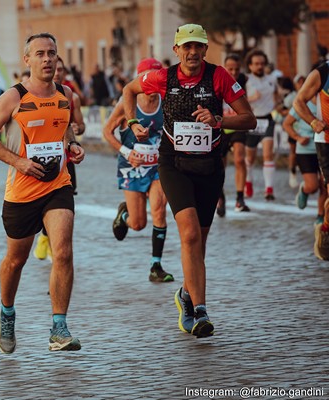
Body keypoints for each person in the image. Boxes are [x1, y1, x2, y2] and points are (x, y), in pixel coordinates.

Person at [122, 24, 255, 337]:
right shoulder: (163, 78)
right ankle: (200, 311)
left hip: (209, 165)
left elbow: (249, 119)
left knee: (199, 243)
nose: (193, 53)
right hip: (174, 164)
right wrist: (132, 123)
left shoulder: (219, 76)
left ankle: (185, 294)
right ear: (176, 51)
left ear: (206, 50)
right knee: (191, 235)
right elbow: (129, 90)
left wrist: (219, 120)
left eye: (198, 47)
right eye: (187, 47)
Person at [0, 32, 85, 353]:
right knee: (15, 260)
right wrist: (18, 162)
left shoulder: (65, 93)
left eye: (52, 53)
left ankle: (59, 327)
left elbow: (63, 127)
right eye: (40, 54)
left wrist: (73, 146)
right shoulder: (14, 97)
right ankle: (7, 314)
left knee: (63, 251)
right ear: (27, 60)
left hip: (57, 185)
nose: (47, 59)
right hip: (22, 191)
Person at [104, 58, 173, 283]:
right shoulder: (128, 103)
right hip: (131, 167)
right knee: (138, 224)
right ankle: (124, 215)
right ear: (140, 80)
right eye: (148, 80)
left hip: (157, 167)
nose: (153, 86)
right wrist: (126, 152)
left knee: (159, 211)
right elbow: (107, 132)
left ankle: (156, 266)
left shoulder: (167, 100)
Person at [33, 56, 85, 262]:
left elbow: (80, 125)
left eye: (61, 69)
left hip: (66, 161)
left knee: (63, 205)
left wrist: (76, 131)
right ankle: (45, 237)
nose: (58, 72)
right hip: (40, 159)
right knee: (42, 203)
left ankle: (54, 243)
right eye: (56, 69)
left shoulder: (70, 96)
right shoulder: (32, 95)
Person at [293, 60, 329, 260]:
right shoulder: (324, 71)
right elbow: (298, 102)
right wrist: (313, 121)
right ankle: (325, 228)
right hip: (326, 140)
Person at [244, 49, 281, 201]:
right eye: (256, 64)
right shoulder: (246, 80)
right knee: (250, 158)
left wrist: (278, 105)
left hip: (267, 119)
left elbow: (277, 95)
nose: (259, 66)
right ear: (250, 66)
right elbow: (239, 101)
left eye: (262, 64)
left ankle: (269, 190)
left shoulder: (272, 79)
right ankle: (248, 182)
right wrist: (252, 98)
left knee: (268, 154)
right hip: (252, 120)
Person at [283, 95, 326, 222]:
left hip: (324, 148)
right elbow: (286, 124)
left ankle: (320, 215)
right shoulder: (302, 104)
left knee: (324, 185)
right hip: (306, 150)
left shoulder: (326, 104)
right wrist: (298, 138)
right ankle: (305, 190)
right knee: (313, 186)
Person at [217, 54, 251, 215]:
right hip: (220, 126)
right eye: (230, 69)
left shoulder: (245, 81)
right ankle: (220, 196)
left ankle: (240, 197)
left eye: (237, 69)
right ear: (224, 67)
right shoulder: (217, 79)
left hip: (237, 125)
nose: (234, 72)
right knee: (219, 165)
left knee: (239, 158)